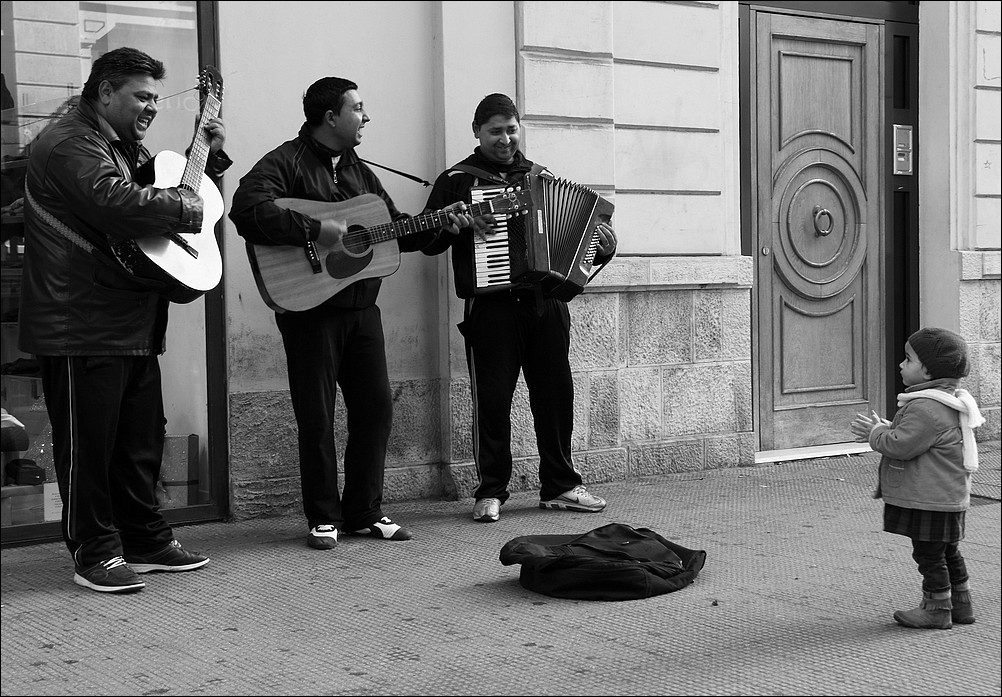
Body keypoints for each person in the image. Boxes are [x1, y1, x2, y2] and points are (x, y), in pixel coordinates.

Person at [18, 47, 230, 593]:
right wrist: (190, 206)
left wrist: (206, 159)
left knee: (139, 442)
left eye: (157, 97)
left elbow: (160, 188)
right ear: (105, 91)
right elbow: (121, 205)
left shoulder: (117, 143)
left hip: (129, 318)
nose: (152, 108)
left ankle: (145, 538)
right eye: (141, 96)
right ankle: (96, 550)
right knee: (88, 448)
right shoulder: (68, 142)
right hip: (79, 323)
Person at [228, 76, 472, 551]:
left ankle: (364, 510)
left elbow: (394, 231)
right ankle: (323, 516)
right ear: (330, 117)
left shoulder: (361, 172)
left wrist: (444, 225)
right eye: (358, 108)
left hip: (362, 310)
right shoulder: (286, 162)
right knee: (316, 417)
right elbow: (246, 209)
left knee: (376, 408)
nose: (366, 117)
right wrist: (315, 229)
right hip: (310, 312)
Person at [422, 93, 617, 523]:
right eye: (496, 131)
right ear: (477, 132)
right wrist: (457, 226)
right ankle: (490, 490)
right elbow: (427, 241)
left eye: (512, 129)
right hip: (490, 310)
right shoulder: (456, 181)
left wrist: (604, 247)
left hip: (545, 305)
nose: (506, 139)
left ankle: (561, 485)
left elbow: (582, 238)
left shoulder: (540, 177)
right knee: (492, 400)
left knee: (554, 396)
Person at [850, 327, 985, 629]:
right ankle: (961, 604)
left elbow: (901, 446)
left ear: (927, 371)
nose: (901, 364)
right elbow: (919, 436)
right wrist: (887, 426)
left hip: (928, 498)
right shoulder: (949, 401)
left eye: (908, 359)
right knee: (948, 550)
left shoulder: (926, 407)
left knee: (928, 554)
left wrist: (876, 434)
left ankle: (936, 608)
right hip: (948, 495)